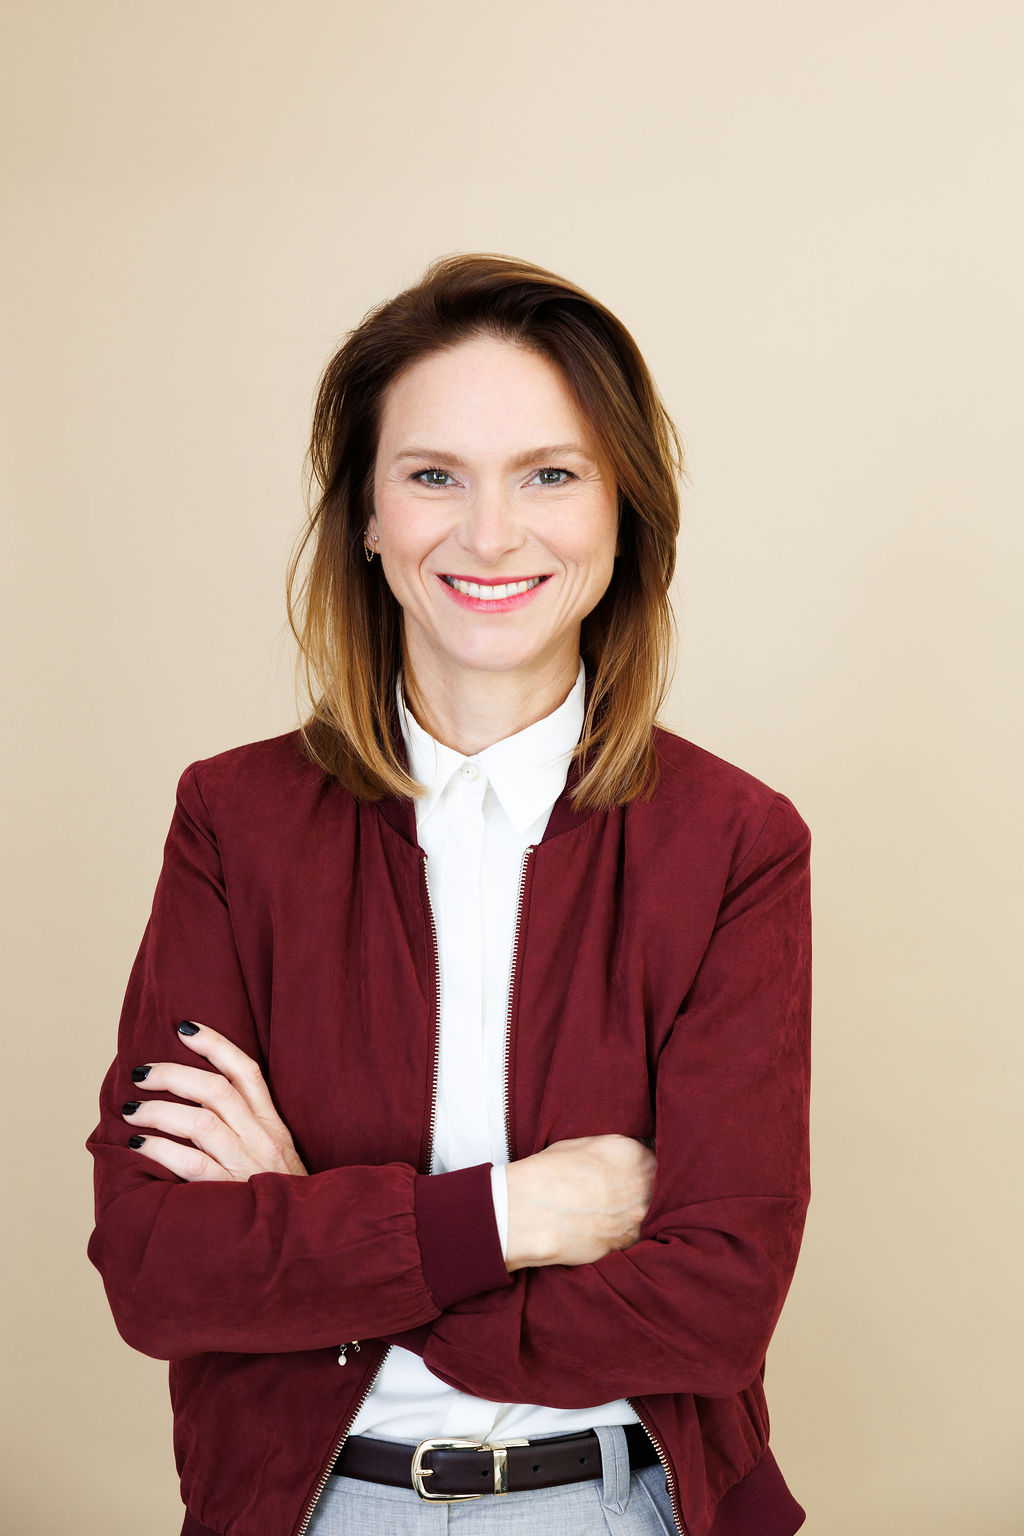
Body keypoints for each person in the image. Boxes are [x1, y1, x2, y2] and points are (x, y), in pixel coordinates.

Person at [86, 252, 812, 1536]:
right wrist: (510, 1214)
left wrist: (324, 1244)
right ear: (365, 516)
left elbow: (715, 1307)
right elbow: (157, 1270)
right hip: (312, 1511)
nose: (489, 534)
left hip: (621, 1504)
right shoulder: (235, 824)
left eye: (549, 474)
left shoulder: (734, 844)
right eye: (433, 476)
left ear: (624, 511)